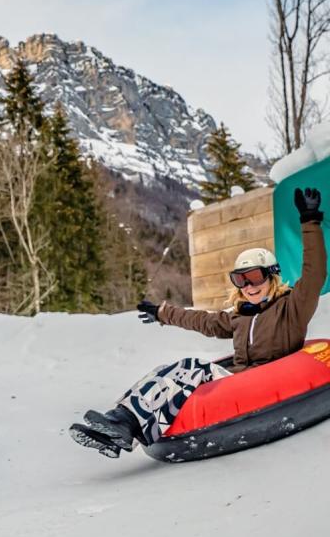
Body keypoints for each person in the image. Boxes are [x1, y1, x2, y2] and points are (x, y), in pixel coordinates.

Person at [70, 186, 327, 458]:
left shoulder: (292, 308)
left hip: (274, 376)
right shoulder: (240, 318)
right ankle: (118, 425)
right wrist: (162, 313)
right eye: (240, 280)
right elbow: (202, 320)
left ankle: (123, 425)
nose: (248, 286)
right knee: (164, 371)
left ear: (271, 277)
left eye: (254, 277)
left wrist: (309, 220)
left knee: (190, 368)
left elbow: (315, 273)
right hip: (239, 379)